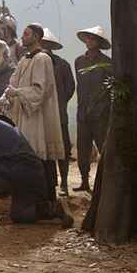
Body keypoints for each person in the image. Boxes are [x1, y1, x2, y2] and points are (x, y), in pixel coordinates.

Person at [0, 24, 65, 204]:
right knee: (27, 158)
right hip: (24, 115)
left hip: (37, 117)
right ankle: (30, 200)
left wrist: (18, 93)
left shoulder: (42, 59)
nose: (22, 37)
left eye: (26, 34)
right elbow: (12, 85)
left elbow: (39, 91)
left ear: (37, 37)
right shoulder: (24, 59)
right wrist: (0, 102)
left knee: (40, 158)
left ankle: (47, 202)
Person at [74, 25, 112, 192]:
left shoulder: (107, 63)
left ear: (98, 42)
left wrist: (103, 108)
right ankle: (84, 181)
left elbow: (110, 88)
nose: (89, 41)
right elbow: (79, 86)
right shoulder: (79, 61)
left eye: (93, 39)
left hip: (101, 112)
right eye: (88, 38)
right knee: (83, 148)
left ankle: (104, 182)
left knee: (103, 147)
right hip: (83, 112)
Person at [42, 28, 75, 196]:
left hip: (59, 114)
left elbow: (70, 88)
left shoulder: (62, 65)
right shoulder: (34, 63)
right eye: (42, 43)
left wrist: (59, 103)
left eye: (47, 44)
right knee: (44, 150)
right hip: (41, 115)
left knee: (63, 149)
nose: (44, 46)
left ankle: (64, 183)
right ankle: (48, 185)